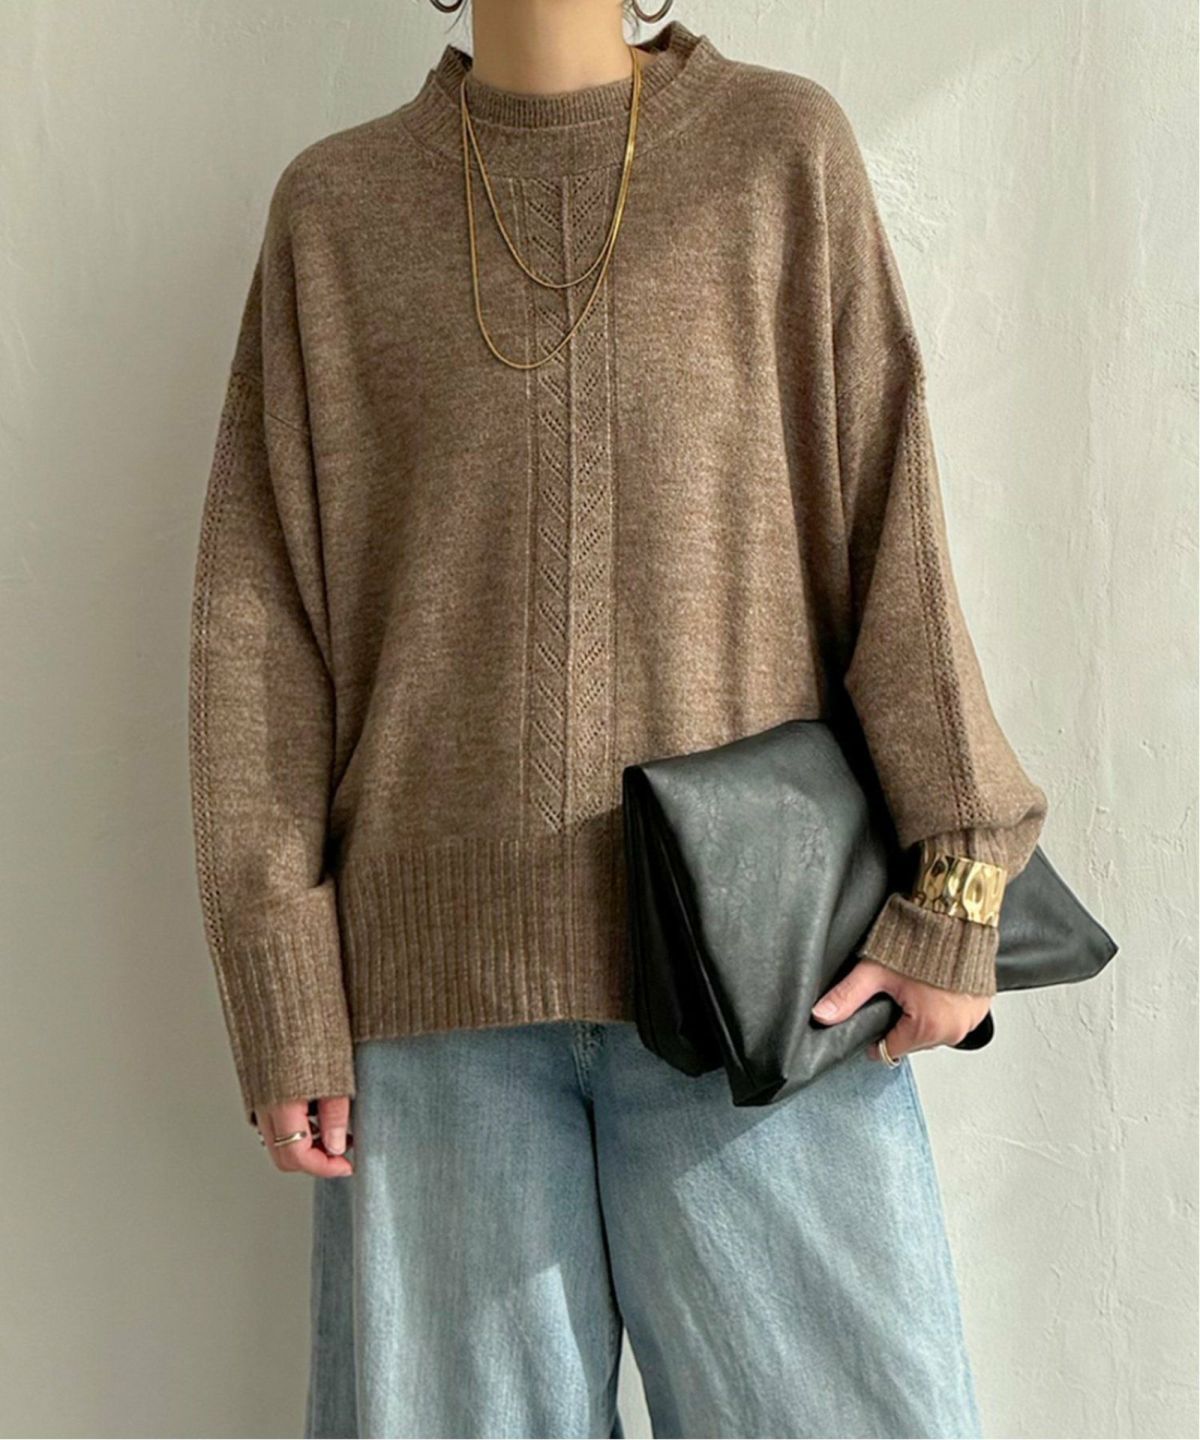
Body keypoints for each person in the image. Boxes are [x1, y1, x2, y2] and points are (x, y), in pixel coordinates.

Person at [186, 2, 1048, 1435]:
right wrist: (284, 987)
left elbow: (886, 528)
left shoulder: (777, 153)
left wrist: (960, 883)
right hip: (432, 1018)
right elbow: (261, 633)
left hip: (763, 993)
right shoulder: (335, 212)